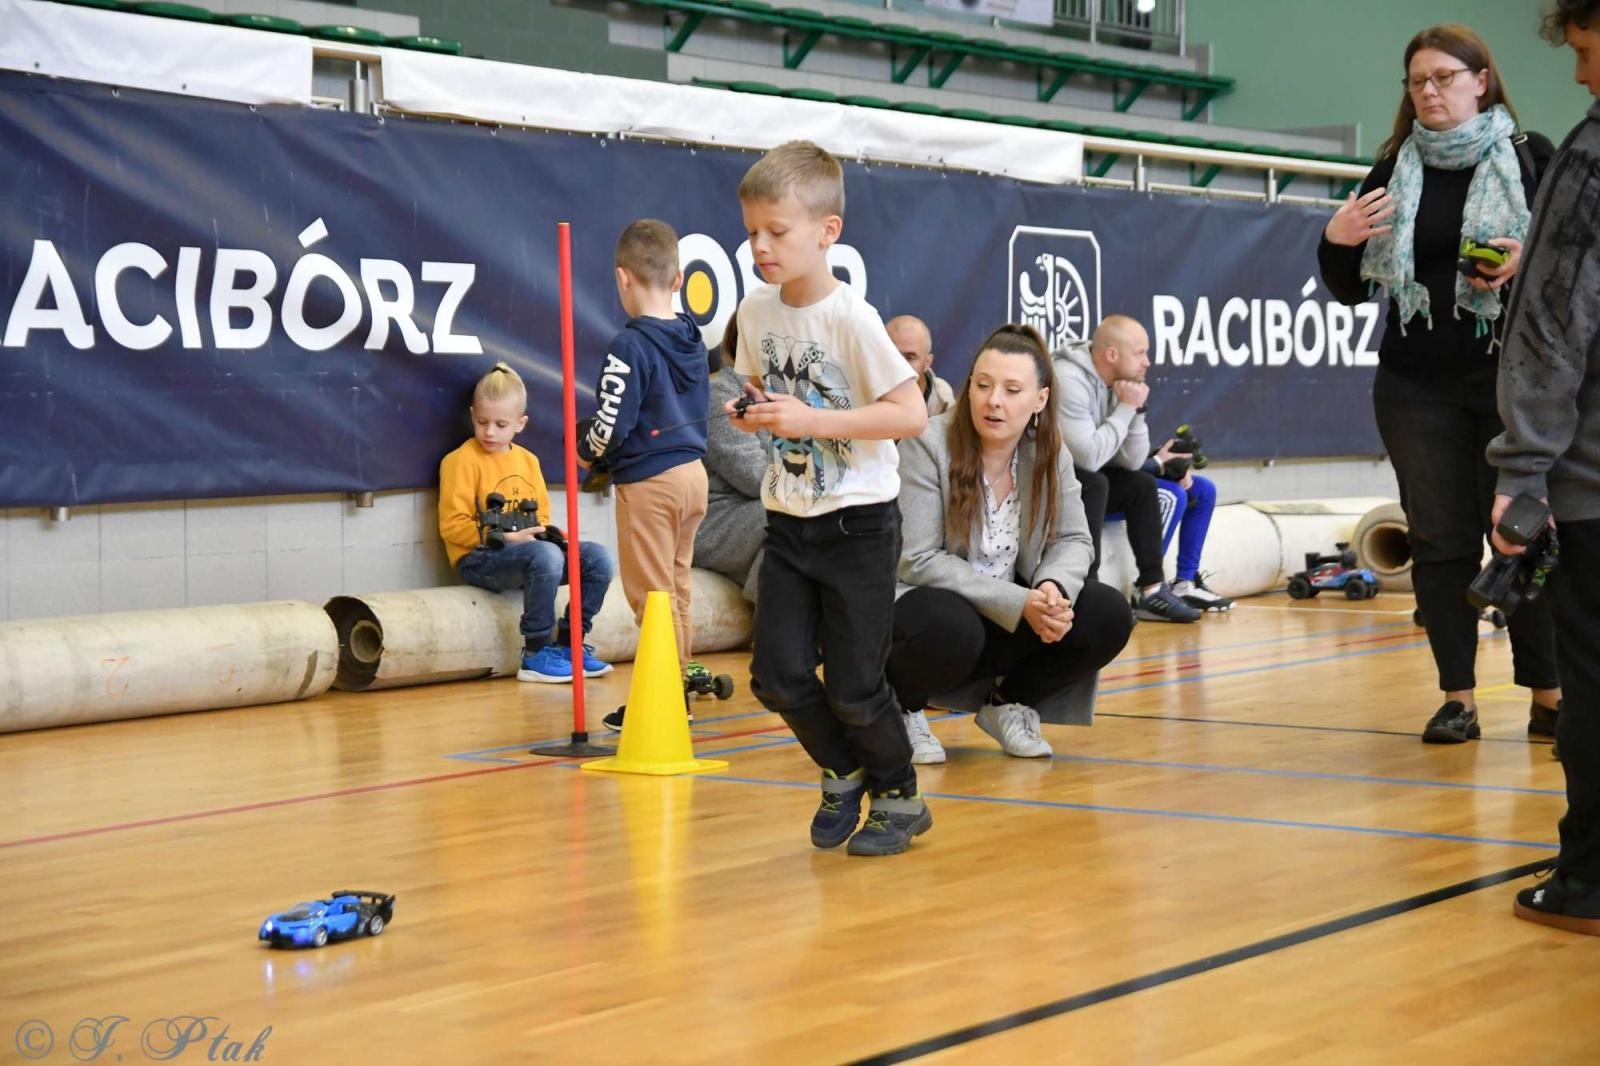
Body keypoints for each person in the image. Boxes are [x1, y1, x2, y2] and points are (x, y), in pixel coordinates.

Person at [1319, 23, 1559, 744]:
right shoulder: (1394, 165)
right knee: (1439, 540)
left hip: (1510, 380)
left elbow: (1575, 272)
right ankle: (1459, 697)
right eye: (1417, 81)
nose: (1429, 92)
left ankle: (1549, 697)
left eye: (1444, 78)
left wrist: (1525, 262)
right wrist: (1335, 240)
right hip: (1414, 383)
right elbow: (1351, 289)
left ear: (1481, 80)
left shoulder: (1530, 155)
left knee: (1523, 536)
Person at [729, 140, 931, 856]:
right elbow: (761, 386)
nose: (760, 246)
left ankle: (899, 793)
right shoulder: (755, 313)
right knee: (776, 676)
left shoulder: (853, 319)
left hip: (859, 529)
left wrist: (813, 421)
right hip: (789, 522)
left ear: (827, 232)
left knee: (853, 685)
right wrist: (755, 410)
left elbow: (909, 414)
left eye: (776, 232)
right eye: (752, 232)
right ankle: (843, 770)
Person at [890, 324, 1133, 760]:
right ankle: (900, 709)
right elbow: (918, 559)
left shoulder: (1049, 450)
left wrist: (1051, 591)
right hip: (929, 613)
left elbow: (1076, 539)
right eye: (982, 385)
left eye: (1011, 389)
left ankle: (1010, 705)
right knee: (950, 622)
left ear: (1039, 399)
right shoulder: (927, 442)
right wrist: (1020, 601)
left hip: (1008, 611)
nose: (993, 400)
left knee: (1107, 614)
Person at [1489, 0, 1600, 935]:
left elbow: (1555, 325)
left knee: (1594, 681)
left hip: (1594, 483)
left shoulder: (1591, 159)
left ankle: (1591, 882)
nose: (1580, 75)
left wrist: (1522, 469)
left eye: (1590, 52)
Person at [574, 219, 711, 732]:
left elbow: (611, 421)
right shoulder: (691, 337)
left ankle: (665, 699)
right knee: (675, 588)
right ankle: (675, 690)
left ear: (622, 279)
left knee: (650, 597)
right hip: (694, 475)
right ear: (678, 280)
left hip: (651, 483)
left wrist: (589, 451)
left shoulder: (628, 347)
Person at [439, 363, 615, 682]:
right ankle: (534, 652)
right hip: (479, 559)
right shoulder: (459, 461)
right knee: (545, 556)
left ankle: (568, 644)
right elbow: (452, 528)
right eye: (481, 422)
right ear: (471, 414)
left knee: (597, 558)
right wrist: (507, 538)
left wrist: (548, 535)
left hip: (527, 555)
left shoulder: (528, 461)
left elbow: (540, 518)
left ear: (521, 424)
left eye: (500, 424)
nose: (489, 432)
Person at [1054, 315, 1201, 623]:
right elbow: (1088, 459)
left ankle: (1151, 591)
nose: (1147, 362)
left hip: (1082, 474)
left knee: (1140, 485)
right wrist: (1125, 408)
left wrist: (1135, 411)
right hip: (1046, 479)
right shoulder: (1067, 378)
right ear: (1112, 355)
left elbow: (1132, 462)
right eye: (1140, 353)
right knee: (1095, 483)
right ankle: (1086, 591)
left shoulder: (1121, 384)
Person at [693, 314, 768, 603]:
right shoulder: (720, 393)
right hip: (716, 521)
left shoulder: (788, 393)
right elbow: (755, 478)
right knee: (792, 512)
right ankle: (770, 625)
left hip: (758, 510)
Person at [1147, 444, 1234, 612]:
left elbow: (1135, 453)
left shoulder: (1134, 420)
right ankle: (1151, 586)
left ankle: (1185, 582)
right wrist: (1157, 463)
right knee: (1175, 494)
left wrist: (1173, 468)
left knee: (1203, 489)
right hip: (1106, 481)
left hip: (1134, 473)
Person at [886, 314, 955, 416]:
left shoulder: (942, 399)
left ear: (927, 363)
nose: (899, 366)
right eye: (891, 355)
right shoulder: (859, 394)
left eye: (909, 358)